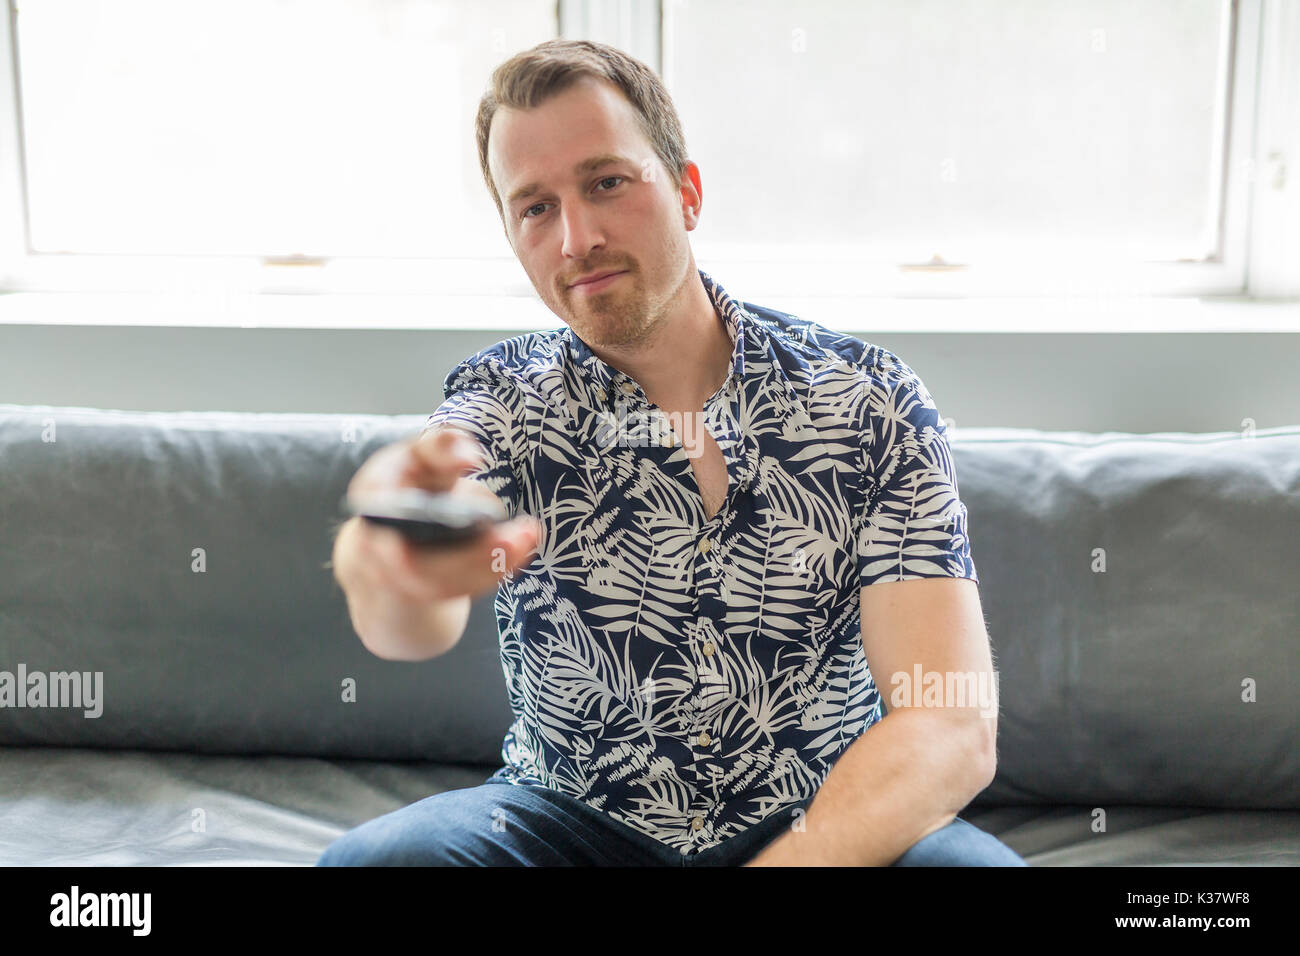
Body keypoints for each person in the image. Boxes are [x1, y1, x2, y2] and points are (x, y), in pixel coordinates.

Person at [319, 38, 1027, 868]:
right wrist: (389, 561)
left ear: (687, 192)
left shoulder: (869, 398)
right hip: (566, 819)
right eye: (535, 207)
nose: (576, 238)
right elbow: (415, 608)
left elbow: (950, 720)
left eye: (606, 183)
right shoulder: (497, 400)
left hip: (825, 822)